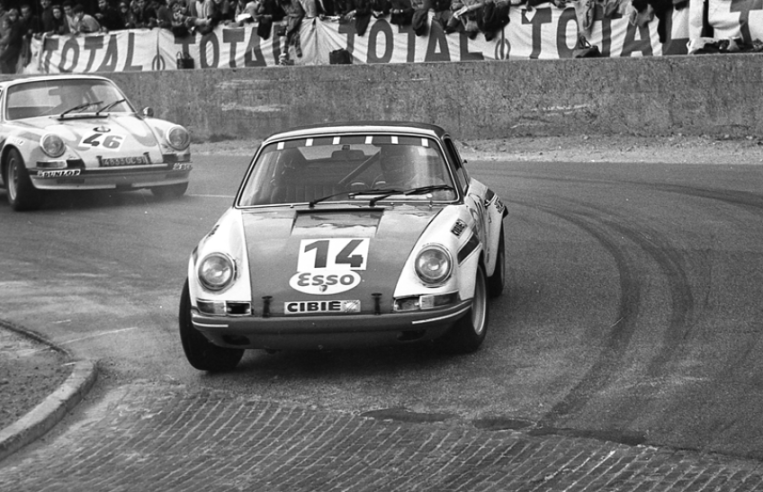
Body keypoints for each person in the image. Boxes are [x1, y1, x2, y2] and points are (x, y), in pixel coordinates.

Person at [0, 8, 23, 73]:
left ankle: (7, 75)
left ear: (17, 15)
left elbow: (13, 38)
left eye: (13, 15)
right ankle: (11, 74)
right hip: (12, 45)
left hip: (15, 46)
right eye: (10, 15)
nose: (12, 17)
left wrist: (8, 44)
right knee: (9, 61)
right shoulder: (13, 25)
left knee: (2, 59)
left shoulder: (17, 25)